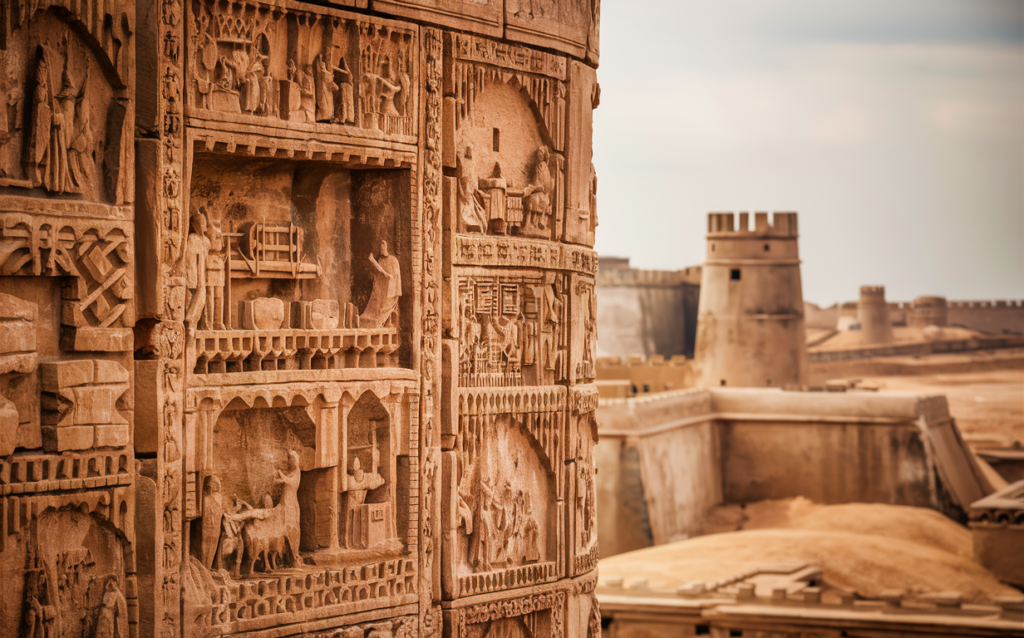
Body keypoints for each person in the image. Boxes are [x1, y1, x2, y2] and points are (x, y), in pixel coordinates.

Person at [360, 240, 401, 328]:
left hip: (390, 290)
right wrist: (374, 262)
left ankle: (385, 321)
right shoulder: (380, 260)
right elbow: (378, 274)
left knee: (386, 305)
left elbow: (393, 277)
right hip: (382, 290)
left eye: (384, 246)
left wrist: (374, 262)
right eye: (381, 246)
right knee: (375, 306)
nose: (382, 248)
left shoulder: (393, 260)